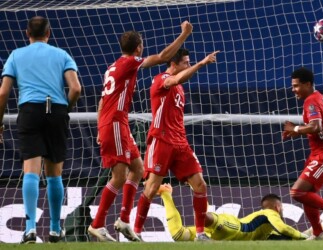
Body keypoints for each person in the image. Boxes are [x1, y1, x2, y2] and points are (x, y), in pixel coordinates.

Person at [87, 22, 193, 242]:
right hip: (115, 122)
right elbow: (163, 57)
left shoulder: (113, 66)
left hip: (117, 122)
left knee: (137, 168)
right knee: (118, 176)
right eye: (142, 45)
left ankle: (124, 220)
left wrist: (100, 126)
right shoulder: (129, 62)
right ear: (138, 48)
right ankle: (97, 224)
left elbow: (102, 99)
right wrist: (184, 34)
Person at [0, 16, 81, 243]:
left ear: (27, 33)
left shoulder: (16, 55)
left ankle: (30, 229)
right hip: (55, 110)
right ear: (49, 33)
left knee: (31, 171)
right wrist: (64, 108)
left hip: (30, 111)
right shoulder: (62, 54)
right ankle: (55, 229)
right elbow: (75, 88)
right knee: (54, 174)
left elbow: (3, 93)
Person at [133, 48, 219, 241]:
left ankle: (200, 233)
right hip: (161, 140)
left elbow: (179, 81)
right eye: (186, 63)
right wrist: (201, 63)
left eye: (190, 63)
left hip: (181, 143)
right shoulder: (161, 79)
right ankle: (136, 232)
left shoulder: (180, 88)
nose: (188, 65)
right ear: (174, 64)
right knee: (152, 187)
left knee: (200, 185)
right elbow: (176, 79)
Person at [283, 67, 323, 240]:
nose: (293, 89)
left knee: (297, 192)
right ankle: (318, 233)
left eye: (296, 86)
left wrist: (295, 128)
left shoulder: (311, 101)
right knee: (307, 195)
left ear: (307, 84)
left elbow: (315, 127)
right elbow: (317, 127)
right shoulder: (317, 97)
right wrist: (298, 130)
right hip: (320, 152)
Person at [157, 183, 309, 241]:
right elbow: (284, 228)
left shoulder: (268, 234)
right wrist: (303, 236)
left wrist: (312, 233)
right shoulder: (269, 213)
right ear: (277, 207)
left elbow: (284, 237)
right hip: (234, 228)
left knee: (178, 235)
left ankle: (165, 193)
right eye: (281, 207)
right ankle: (197, 189)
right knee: (205, 218)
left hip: (220, 238)